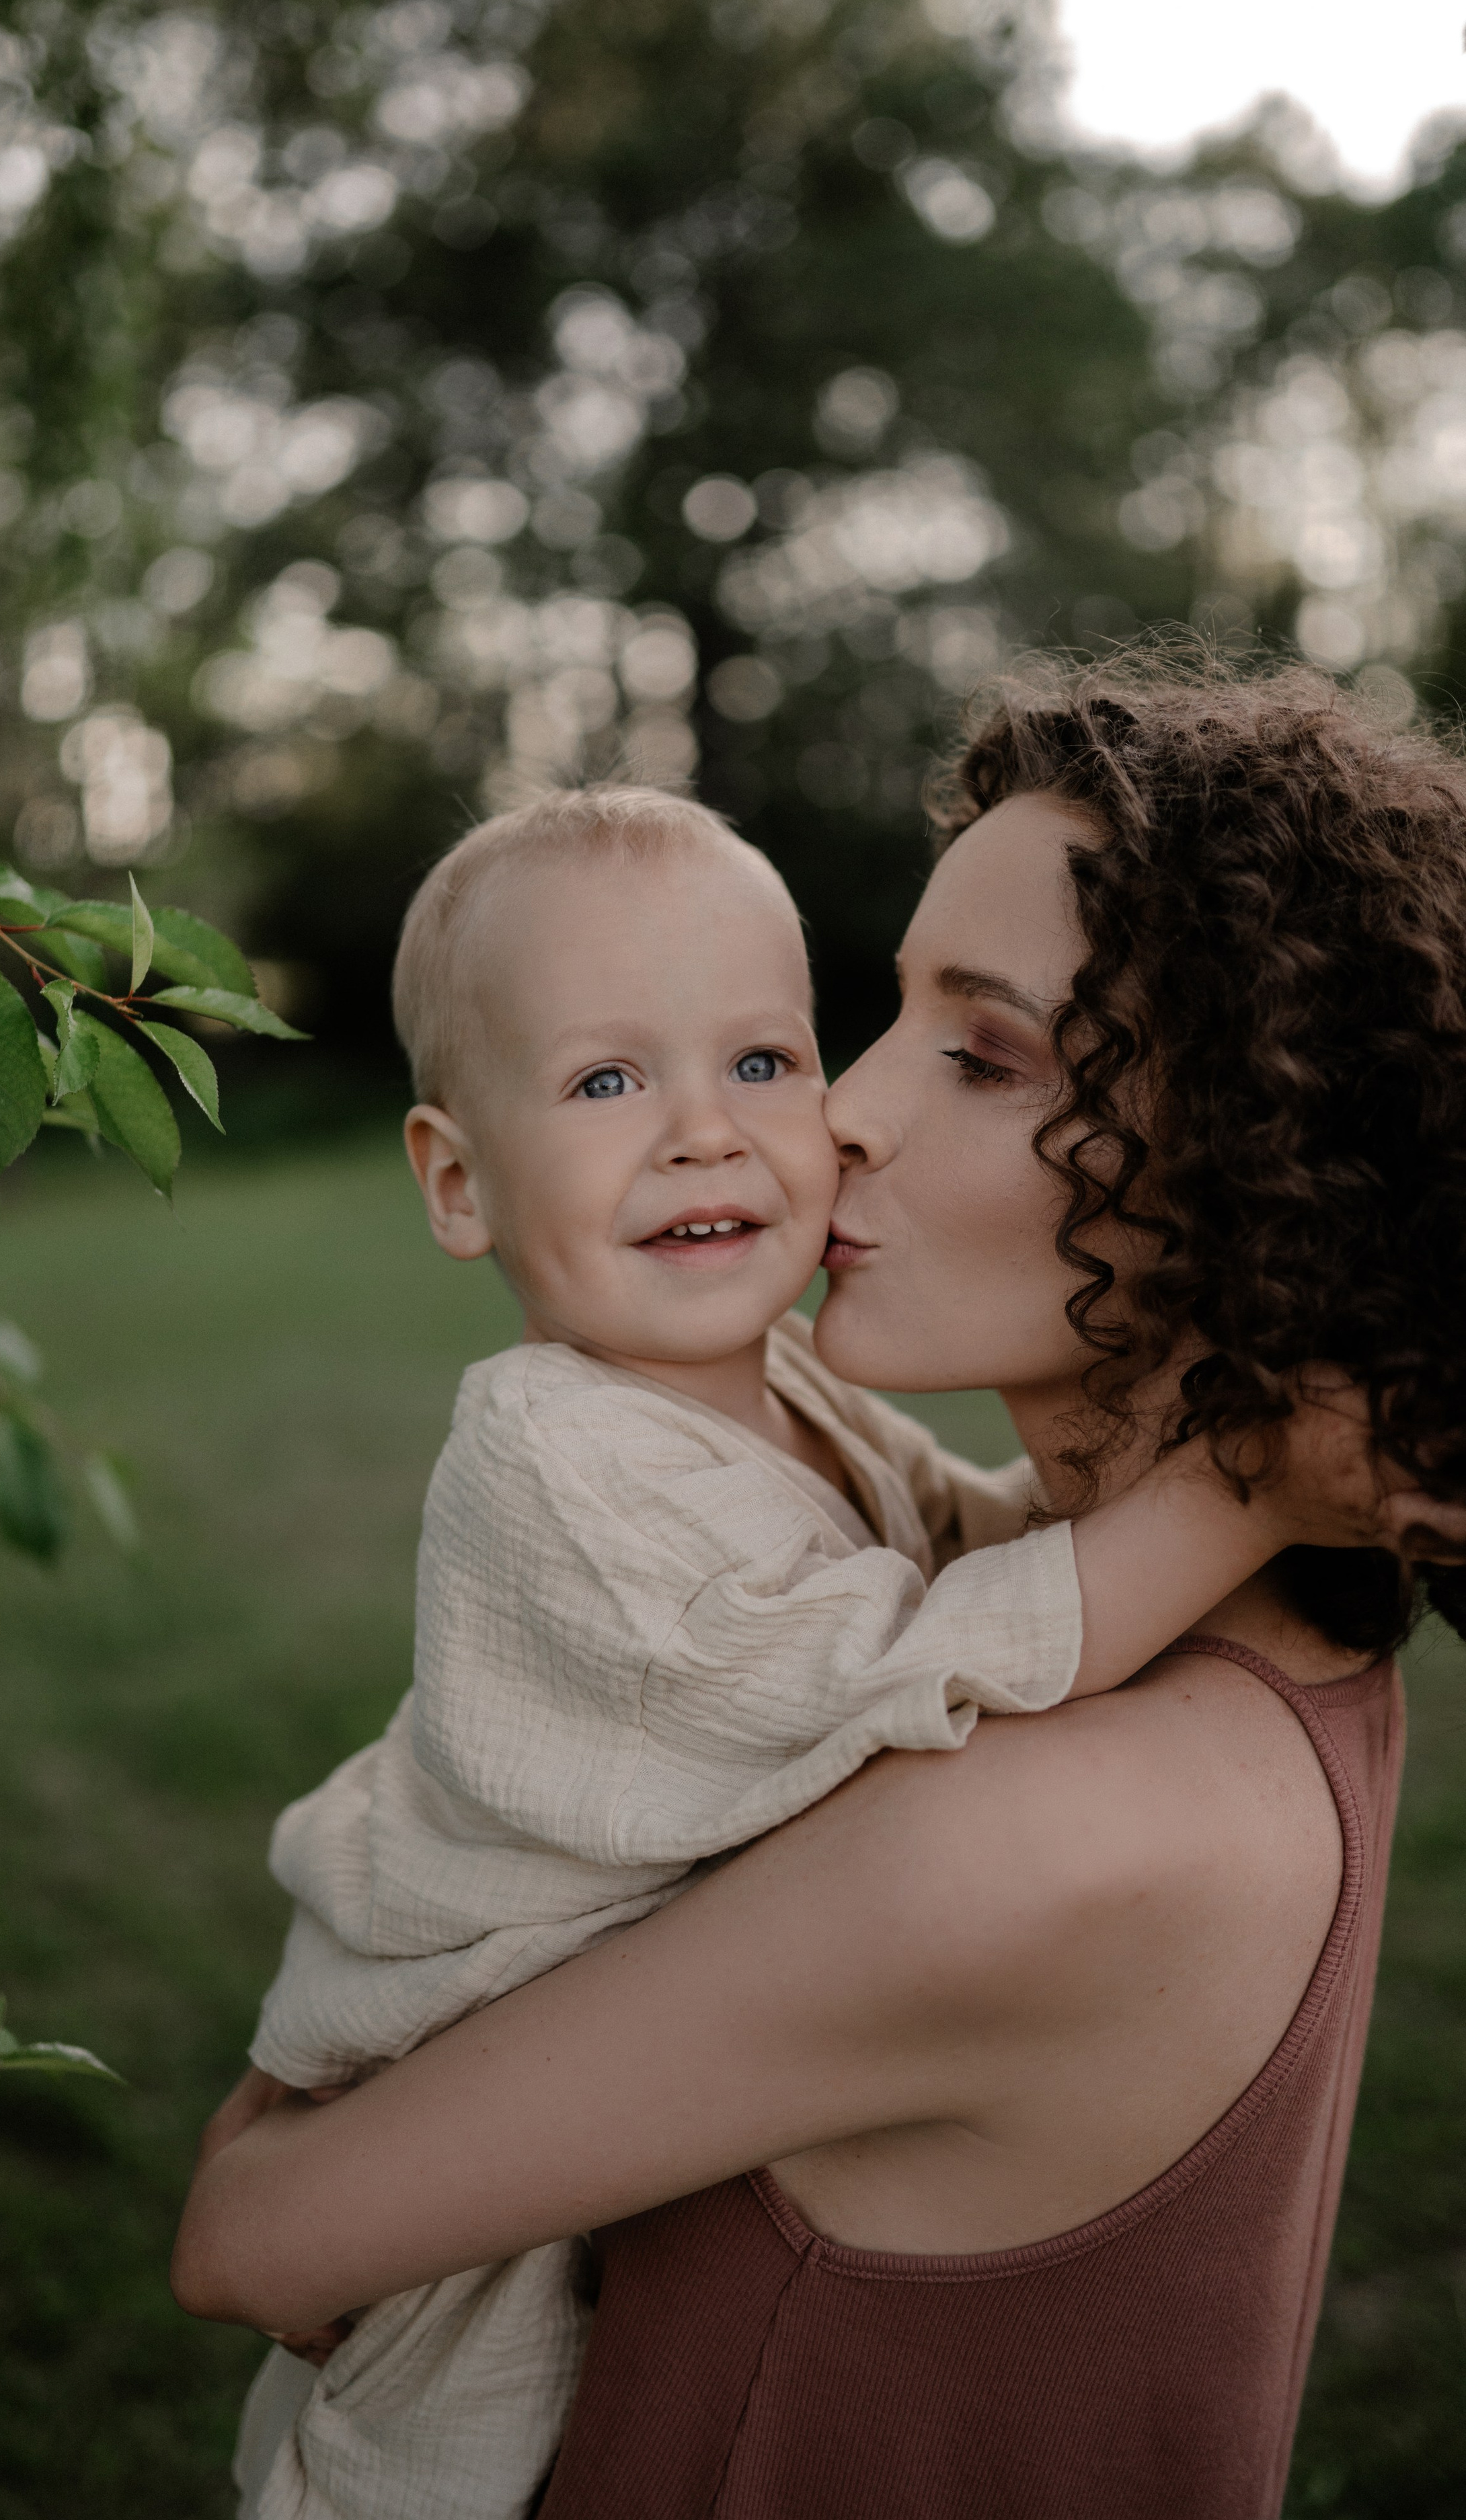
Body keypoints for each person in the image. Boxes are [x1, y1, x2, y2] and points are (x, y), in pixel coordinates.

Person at [176, 657, 1466, 2519]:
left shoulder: (1040, 1839)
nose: (838, 1116)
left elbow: (244, 2240)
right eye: (877, 1020)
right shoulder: (1267, 1637)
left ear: (1255, 1169)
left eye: (986, 1051)